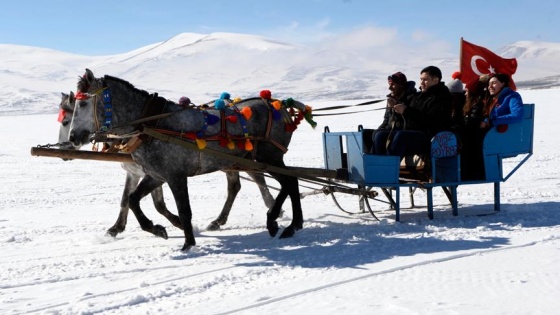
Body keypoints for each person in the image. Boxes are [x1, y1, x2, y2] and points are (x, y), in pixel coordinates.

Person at [371, 66, 452, 158]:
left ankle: (389, 168)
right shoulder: (419, 96)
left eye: (425, 80)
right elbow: (409, 117)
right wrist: (396, 108)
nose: (421, 83)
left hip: (432, 137)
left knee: (401, 136)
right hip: (414, 133)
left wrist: (406, 110)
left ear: (435, 80)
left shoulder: (442, 98)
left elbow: (430, 120)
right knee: (380, 136)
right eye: (421, 79)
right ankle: (376, 166)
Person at [367, 72, 417, 153]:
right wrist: (379, 130)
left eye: (393, 84)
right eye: (389, 84)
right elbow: (386, 120)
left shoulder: (413, 98)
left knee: (380, 136)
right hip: (390, 130)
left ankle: (382, 163)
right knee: (367, 135)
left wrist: (396, 108)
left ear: (401, 85)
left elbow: (408, 123)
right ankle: (370, 161)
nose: (390, 88)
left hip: (403, 133)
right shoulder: (391, 99)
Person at [459, 75, 490, 180]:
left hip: (475, 135)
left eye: (467, 91)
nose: (465, 93)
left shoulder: (478, 104)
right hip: (473, 134)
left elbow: (472, 122)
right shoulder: (472, 103)